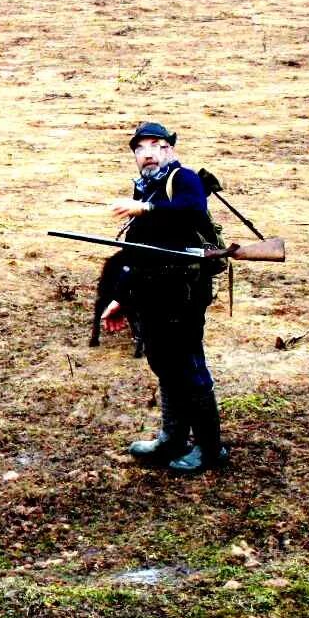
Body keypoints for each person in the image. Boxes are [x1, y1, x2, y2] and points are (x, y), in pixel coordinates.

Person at [100, 122, 228, 475]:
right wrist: (121, 299)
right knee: (165, 367)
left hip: (183, 295)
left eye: (157, 145)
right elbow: (137, 253)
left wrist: (146, 209)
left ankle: (209, 448)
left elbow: (191, 208)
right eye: (141, 148)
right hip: (151, 295)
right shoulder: (145, 190)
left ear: (170, 150)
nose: (149, 153)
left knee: (189, 368)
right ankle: (172, 438)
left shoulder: (182, 179)